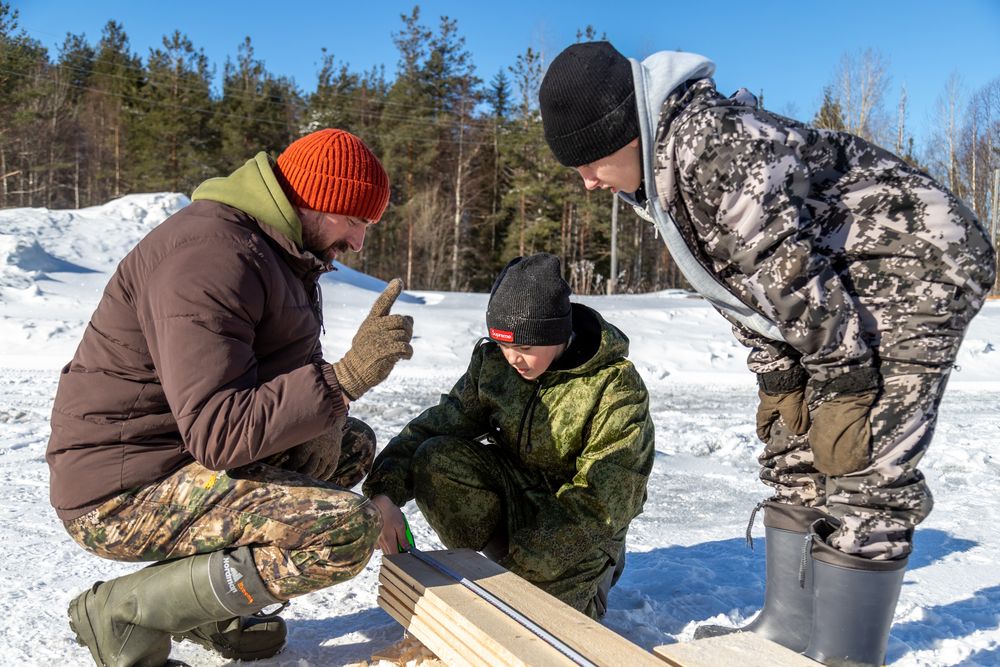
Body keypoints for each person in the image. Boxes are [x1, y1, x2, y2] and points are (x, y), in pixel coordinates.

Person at [538, 42, 995, 665]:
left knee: (865, 463)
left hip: (914, 266)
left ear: (625, 130)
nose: (587, 182)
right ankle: (790, 628)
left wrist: (845, 384)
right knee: (794, 444)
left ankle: (845, 656)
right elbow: (744, 289)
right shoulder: (664, 173)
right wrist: (781, 376)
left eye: (589, 161)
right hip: (836, 289)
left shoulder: (711, 145)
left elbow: (791, 274)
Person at [47, 129, 414, 667]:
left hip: (173, 456)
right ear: (314, 199)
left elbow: (267, 377)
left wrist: (329, 410)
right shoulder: (212, 256)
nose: (358, 242)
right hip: (119, 485)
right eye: (353, 221)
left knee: (350, 444)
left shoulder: (279, 250)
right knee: (344, 529)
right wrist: (345, 379)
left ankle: (214, 610)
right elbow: (218, 432)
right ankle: (123, 615)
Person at [362, 253, 655, 619]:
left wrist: (522, 569)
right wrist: (384, 492)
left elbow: (603, 503)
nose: (513, 358)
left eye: (526, 348)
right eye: (503, 345)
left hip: (577, 536)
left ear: (557, 333)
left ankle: (580, 587)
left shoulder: (615, 388)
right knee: (436, 457)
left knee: (539, 626)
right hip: (516, 505)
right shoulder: (495, 366)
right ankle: (495, 573)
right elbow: (438, 424)